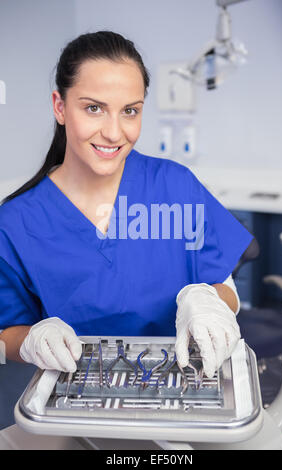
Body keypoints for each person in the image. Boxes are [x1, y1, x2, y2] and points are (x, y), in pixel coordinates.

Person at [0, 31, 252, 379]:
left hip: (185, 385)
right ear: (60, 107)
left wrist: (208, 300)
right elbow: (8, 331)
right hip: (76, 400)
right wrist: (31, 340)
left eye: (129, 111)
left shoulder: (174, 185)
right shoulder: (15, 223)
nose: (114, 133)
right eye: (94, 108)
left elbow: (226, 287)